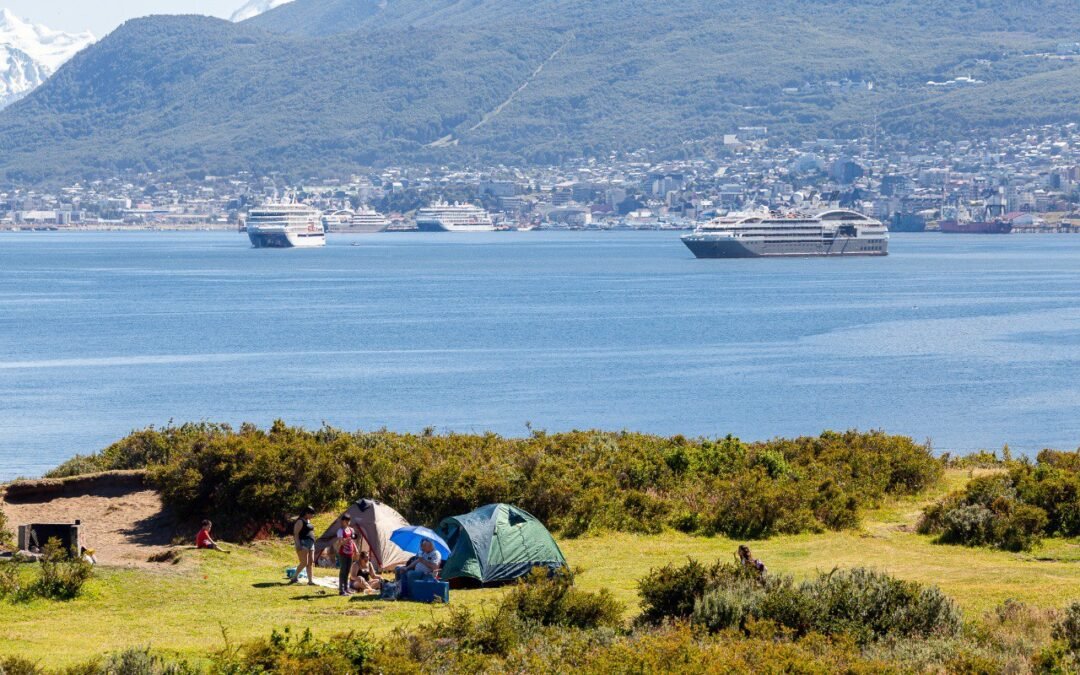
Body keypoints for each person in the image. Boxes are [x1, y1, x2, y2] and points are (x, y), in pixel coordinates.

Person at [290, 506, 317, 586]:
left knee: (310, 561)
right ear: (307, 513)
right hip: (303, 543)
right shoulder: (300, 521)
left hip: (311, 544)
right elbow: (296, 534)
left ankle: (310, 581)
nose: (312, 516)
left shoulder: (308, 520)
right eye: (311, 514)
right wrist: (298, 545)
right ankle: (294, 577)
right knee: (304, 562)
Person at [333, 514, 358, 596]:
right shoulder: (340, 531)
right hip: (343, 553)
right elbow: (341, 543)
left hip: (350, 553)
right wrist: (348, 538)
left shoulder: (351, 530)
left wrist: (356, 550)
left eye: (349, 520)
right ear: (342, 521)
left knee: (348, 571)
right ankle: (341, 590)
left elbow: (353, 542)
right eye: (346, 520)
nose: (348, 522)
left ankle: (346, 588)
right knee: (343, 571)